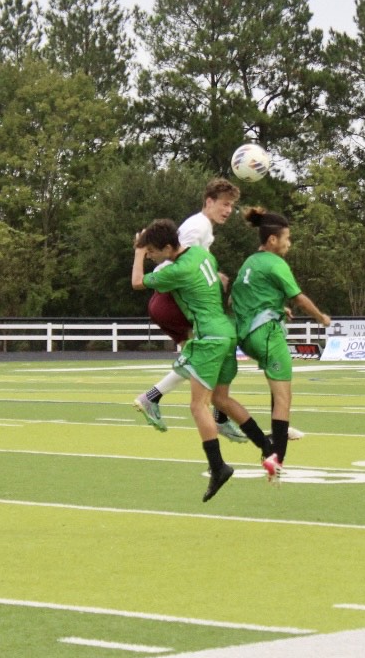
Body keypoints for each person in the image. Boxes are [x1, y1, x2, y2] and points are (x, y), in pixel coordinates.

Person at [131, 178, 304, 443]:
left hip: (171, 297)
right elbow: (175, 261)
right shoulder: (197, 226)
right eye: (224, 204)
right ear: (209, 201)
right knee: (214, 346)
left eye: (232, 206)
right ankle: (162, 400)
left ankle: (212, 413)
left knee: (213, 350)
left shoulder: (204, 228)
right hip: (168, 298)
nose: (228, 210)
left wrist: (215, 274)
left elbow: (194, 263)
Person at [131, 218, 273, 502]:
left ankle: (218, 467)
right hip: (225, 332)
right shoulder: (201, 254)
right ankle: (267, 447)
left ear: (169, 247)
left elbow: (137, 282)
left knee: (198, 406)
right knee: (222, 400)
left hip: (208, 337)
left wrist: (136, 251)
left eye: (153, 252)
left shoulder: (178, 270)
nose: (150, 256)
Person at [230, 208, 331, 481]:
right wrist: (320, 317)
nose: (289, 243)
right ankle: (276, 458)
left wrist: (276, 307)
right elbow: (299, 297)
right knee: (285, 398)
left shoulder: (250, 262)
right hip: (267, 336)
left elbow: (237, 299)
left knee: (276, 392)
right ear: (273, 240)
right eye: (287, 238)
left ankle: (270, 448)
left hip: (246, 335)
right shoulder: (276, 264)